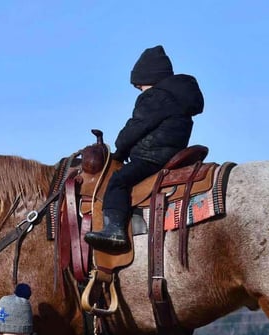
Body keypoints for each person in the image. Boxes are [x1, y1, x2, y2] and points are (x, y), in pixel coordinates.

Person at [84, 45, 205, 254]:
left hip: (152, 157)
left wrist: (120, 150)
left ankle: (114, 230)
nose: (139, 90)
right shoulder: (180, 97)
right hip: (171, 153)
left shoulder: (155, 97)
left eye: (139, 85)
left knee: (118, 181)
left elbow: (136, 127)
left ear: (150, 77)